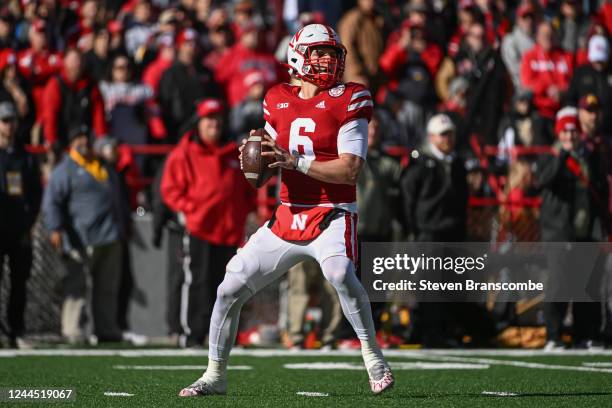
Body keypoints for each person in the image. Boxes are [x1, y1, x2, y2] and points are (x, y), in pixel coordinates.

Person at [178, 24, 394, 397]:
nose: (328, 60)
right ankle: (214, 375)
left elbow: (349, 168)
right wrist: (255, 161)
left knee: (340, 272)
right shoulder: (276, 98)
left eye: (331, 52)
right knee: (229, 287)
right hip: (286, 216)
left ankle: (373, 357)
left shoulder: (351, 97)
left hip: (331, 212)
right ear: (297, 57)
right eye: (318, 53)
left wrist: (293, 162)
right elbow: (262, 175)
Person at [161, 99, 256, 347]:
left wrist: (244, 213)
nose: (213, 124)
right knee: (197, 282)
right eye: (208, 119)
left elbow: (248, 190)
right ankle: (192, 333)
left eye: (217, 119)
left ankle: (223, 335)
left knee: (227, 285)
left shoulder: (233, 152)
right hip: (199, 228)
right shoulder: (184, 153)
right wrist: (191, 210)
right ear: (199, 123)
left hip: (229, 230)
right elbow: (170, 190)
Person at [42, 125, 127, 343]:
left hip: (109, 235)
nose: (84, 142)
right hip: (81, 237)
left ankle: (106, 328)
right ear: (71, 143)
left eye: (87, 138)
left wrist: (124, 224)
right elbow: (52, 202)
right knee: (77, 286)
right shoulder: (65, 170)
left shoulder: (103, 166)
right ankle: (73, 330)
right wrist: (55, 228)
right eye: (79, 138)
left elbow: (118, 197)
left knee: (107, 287)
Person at [537, 107, 608, 349]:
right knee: (559, 284)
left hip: (586, 231)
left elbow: (600, 193)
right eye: (564, 131)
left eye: (573, 130)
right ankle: (553, 336)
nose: (569, 135)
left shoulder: (590, 156)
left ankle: (585, 334)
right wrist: (562, 157)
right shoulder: (550, 157)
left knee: (587, 286)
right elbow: (543, 181)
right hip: (559, 232)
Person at [0, 101, 41, 348]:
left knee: (19, 281)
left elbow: (35, 191)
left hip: (18, 228)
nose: (9, 126)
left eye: (12, 121)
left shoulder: (23, 156)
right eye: (4, 121)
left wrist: (29, 220)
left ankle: (16, 330)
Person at [41, 48, 107, 153]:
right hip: (61, 140)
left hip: (84, 140)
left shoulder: (91, 86)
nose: (76, 65)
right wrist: (51, 139)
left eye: (79, 61)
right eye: (73, 61)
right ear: (65, 62)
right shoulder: (56, 84)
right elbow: (50, 114)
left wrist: (101, 138)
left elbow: (98, 114)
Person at [520, 21, 574, 120]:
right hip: (537, 109)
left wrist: (561, 91)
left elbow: (572, 82)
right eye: (544, 35)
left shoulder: (566, 56)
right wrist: (547, 88)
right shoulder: (529, 57)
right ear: (537, 37)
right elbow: (527, 83)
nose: (547, 38)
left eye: (550, 34)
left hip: (562, 106)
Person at [566, 35, 612, 134]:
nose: (599, 63)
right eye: (596, 59)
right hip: (584, 128)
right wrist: (579, 116)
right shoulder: (581, 73)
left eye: (601, 60)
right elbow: (569, 99)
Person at [336, 0, 384, 90]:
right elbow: (346, 48)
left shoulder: (377, 19)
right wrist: (355, 74)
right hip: (357, 77)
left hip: (375, 77)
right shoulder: (351, 20)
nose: (371, 2)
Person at [501, 3, 536, 90]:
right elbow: (514, 69)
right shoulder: (510, 40)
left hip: (537, 85)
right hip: (519, 87)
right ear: (518, 20)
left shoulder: (538, 39)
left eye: (531, 17)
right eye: (524, 17)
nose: (529, 21)